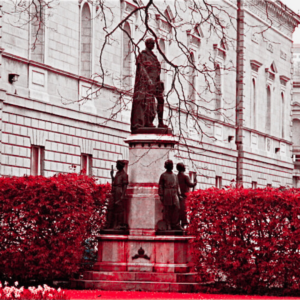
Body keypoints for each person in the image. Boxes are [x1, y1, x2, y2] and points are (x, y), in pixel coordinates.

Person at [130, 38, 168, 132]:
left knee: (161, 100)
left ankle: (160, 122)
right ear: (147, 44)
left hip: (155, 83)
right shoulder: (142, 55)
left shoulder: (154, 57)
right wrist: (148, 80)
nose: (153, 45)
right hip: (145, 83)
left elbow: (157, 70)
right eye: (151, 43)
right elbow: (141, 69)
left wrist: (159, 82)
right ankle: (148, 121)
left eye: (154, 43)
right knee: (148, 100)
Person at [158, 160, 181, 230]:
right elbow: (160, 186)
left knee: (177, 207)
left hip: (174, 192)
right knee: (167, 209)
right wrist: (161, 195)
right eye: (170, 165)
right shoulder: (163, 175)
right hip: (167, 192)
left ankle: (175, 223)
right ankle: (168, 224)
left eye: (171, 165)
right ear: (166, 166)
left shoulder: (174, 175)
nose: (171, 166)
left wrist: (179, 194)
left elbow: (177, 185)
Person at [106, 160, 128, 230]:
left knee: (119, 208)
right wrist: (112, 176)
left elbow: (125, 185)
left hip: (119, 191)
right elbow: (114, 182)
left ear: (120, 166)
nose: (116, 166)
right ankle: (111, 224)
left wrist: (123, 195)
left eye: (117, 165)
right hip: (114, 190)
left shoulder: (124, 175)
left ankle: (119, 224)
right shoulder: (117, 173)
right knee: (111, 207)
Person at [176, 163, 197, 228]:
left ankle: (180, 223)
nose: (185, 168)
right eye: (184, 166)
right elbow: (190, 184)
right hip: (185, 196)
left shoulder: (176, 177)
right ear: (183, 168)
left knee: (179, 210)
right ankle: (184, 223)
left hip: (178, 196)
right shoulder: (185, 177)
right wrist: (195, 182)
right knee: (184, 210)